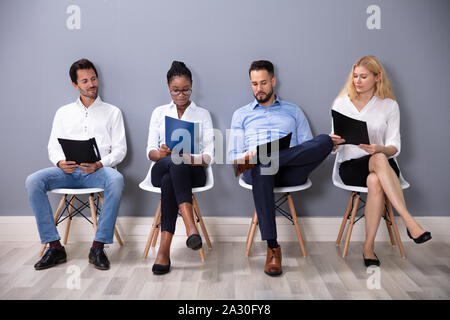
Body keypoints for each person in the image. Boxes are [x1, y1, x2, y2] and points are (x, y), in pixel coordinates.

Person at [228, 60, 336, 276]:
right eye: (254, 84)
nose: (259, 89)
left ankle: (265, 157)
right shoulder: (241, 114)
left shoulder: (293, 111)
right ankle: (272, 248)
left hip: (290, 170)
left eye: (263, 83)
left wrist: (274, 155)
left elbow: (307, 146)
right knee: (262, 164)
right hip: (256, 170)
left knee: (324, 140)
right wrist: (248, 157)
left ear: (273, 81)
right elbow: (233, 158)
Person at [329, 55, 431, 267]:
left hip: (382, 164)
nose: (357, 81)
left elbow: (394, 147)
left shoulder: (389, 106)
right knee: (376, 162)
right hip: (351, 167)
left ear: (377, 77)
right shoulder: (341, 103)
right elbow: (334, 146)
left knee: (375, 177)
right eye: (355, 76)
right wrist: (334, 143)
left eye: (363, 76)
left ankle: (368, 248)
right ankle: (410, 222)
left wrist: (379, 148)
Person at [25, 58, 127, 271]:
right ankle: (54, 247)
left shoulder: (113, 112)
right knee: (33, 181)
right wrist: (60, 162)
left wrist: (99, 164)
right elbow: (53, 146)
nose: (91, 84)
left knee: (117, 179)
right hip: (69, 172)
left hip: (99, 172)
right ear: (75, 85)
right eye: (85, 81)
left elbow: (120, 150)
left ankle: (98, 247)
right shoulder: (63, 112)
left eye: (93, 79)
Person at [146, 61, 214, 275]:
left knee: (171, 178)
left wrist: (188, 157)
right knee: (173, 162)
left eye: (185, 90)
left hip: (193, 171)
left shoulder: (202, 114)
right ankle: (190, 226)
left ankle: (163, 251)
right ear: (168, 88)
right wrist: (161, 153)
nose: (181, 95)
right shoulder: (158, 112)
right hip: (161, 166)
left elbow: (210, 155)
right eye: (176, 90)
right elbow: (150, 151)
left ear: (192, 85)